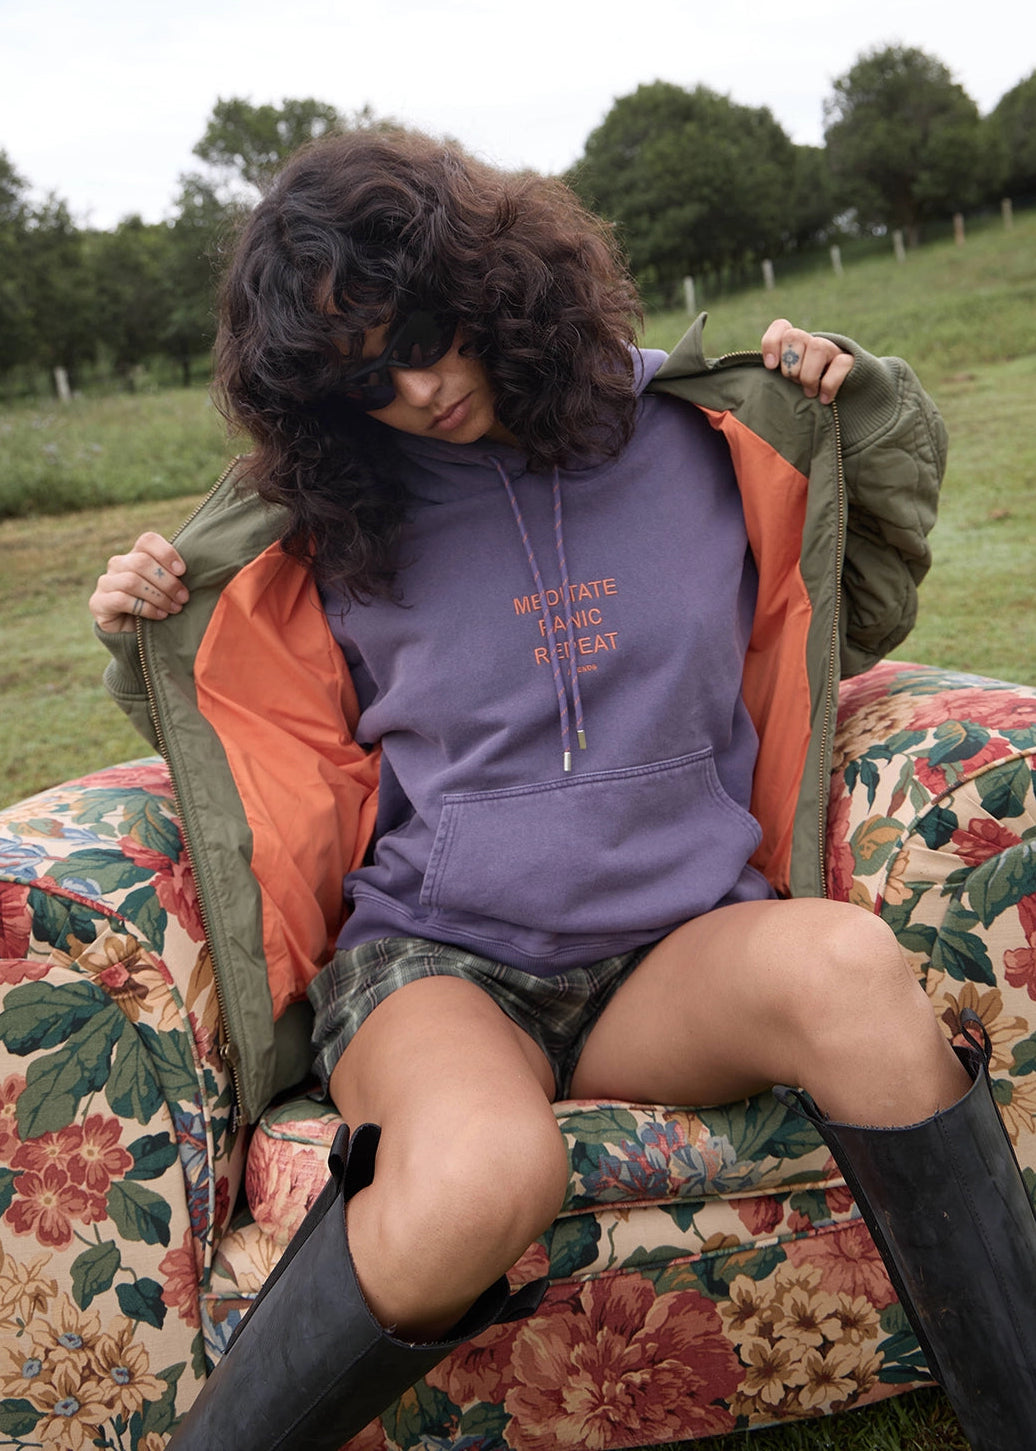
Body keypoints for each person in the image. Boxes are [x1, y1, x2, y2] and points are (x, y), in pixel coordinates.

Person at [89, 128, 1036, 1451]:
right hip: (440, 964)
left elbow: (848, 604)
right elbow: (250, 730)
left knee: (846, 966)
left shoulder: (709, 434)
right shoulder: (330, 518)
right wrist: (147, 618)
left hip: (679, 946)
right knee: (487, 1175)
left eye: (427, 334)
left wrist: (845, 400)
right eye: (364, 378)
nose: (419, 389)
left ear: (494, 282)